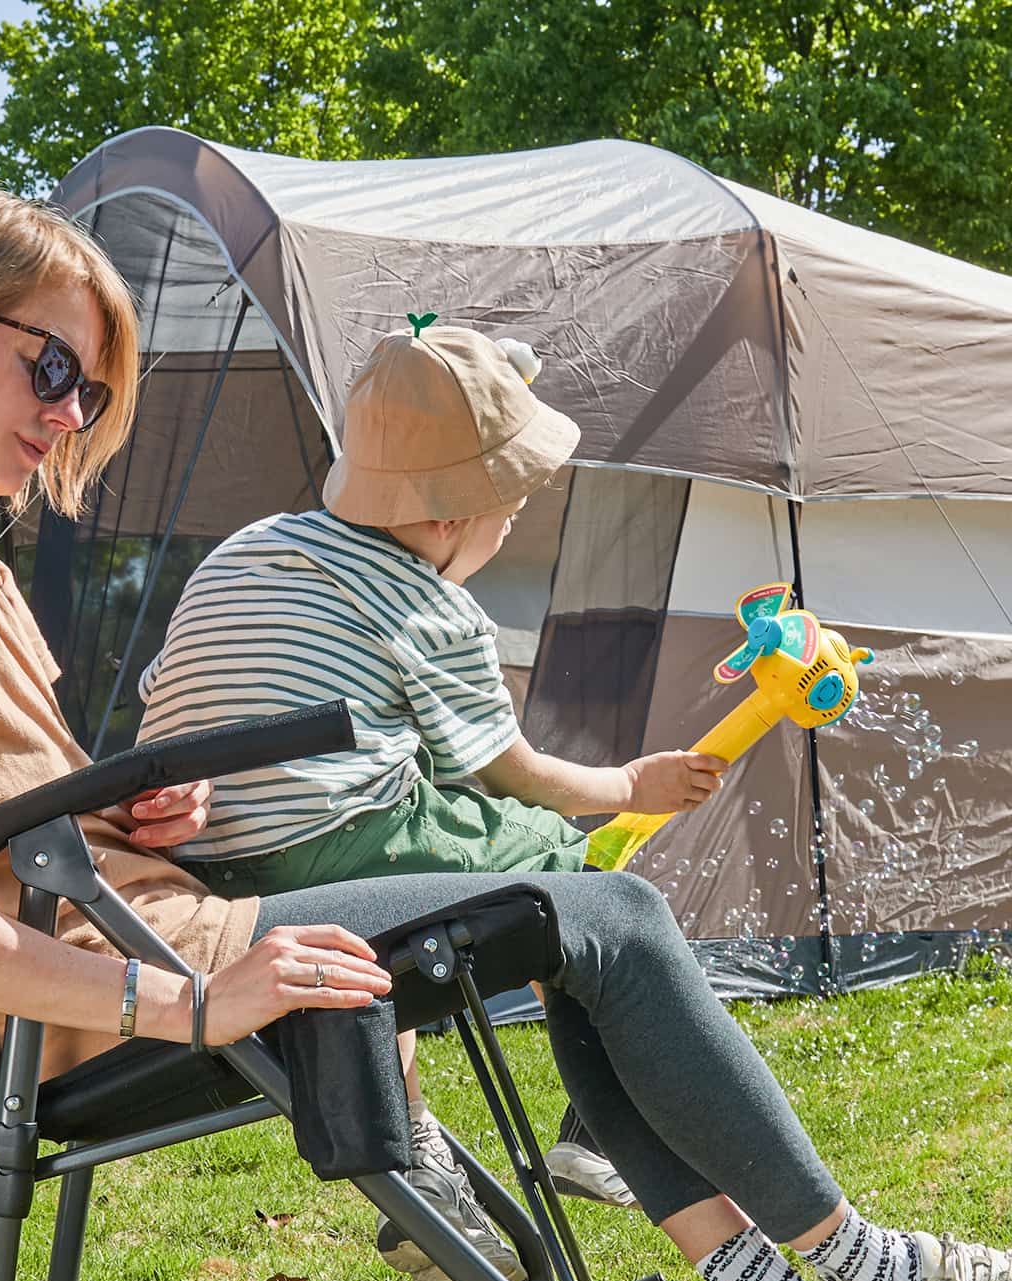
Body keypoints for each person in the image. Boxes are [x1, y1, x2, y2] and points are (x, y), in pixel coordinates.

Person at [0, 190, 1012, 1281]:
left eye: (86, 389)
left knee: (580, 931)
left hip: (164, 922)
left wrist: (128, 818)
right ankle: (859, 1276)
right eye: (49, 366)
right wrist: (191, 1002)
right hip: (139, 989)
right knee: (604, 911)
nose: (68, 413)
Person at [135, 323, 723, 1228]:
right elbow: (515, 775)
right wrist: (629, 787)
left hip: (205, 872)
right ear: (452, 514)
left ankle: (418, 1154)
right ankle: (592, 1136)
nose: (508, 533)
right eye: (509, 515)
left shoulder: (246, 551)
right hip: (334, 834)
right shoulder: (429, 604)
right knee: (570, 873)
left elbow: (173, 696)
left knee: (392, 933)